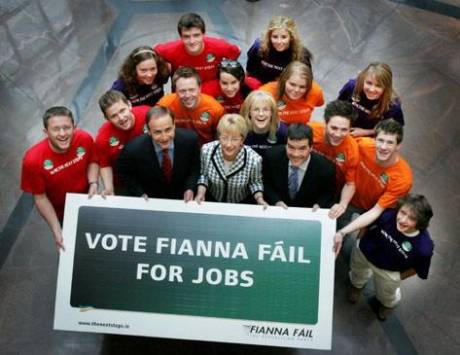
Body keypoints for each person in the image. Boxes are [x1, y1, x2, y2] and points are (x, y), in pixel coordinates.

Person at [21, 106, 99, 252]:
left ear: (74, 127)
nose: (63, 134)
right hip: (62, 213)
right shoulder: (32, 160)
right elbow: (40, 197)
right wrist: (56, 229)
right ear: (46, 132)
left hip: (88, 200)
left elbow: (93, 161)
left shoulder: (84, 138)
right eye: (56, 129)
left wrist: (93, 182)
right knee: (73, 251)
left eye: (67, 128)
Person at [347, 194, 434, 321]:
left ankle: (387, 304)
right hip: (364, 253)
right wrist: (359, 241)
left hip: (388, 271)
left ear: (420, 222)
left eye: (411, 218)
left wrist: (398, 277)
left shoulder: (424, 247)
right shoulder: (388, 214)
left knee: (386, 294)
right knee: (357, 272)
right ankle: (356, 285)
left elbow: (417, 268)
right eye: (403, 212)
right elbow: (367, 223)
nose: (402, 220)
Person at [334, 119, 413, 256]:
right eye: (380, 140)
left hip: (370, 210)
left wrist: (343, 232)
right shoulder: (363, 144)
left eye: (390, 142)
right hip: (348, 198)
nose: (383, 147)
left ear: (398, 146)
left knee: (350, 248)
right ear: (374, 139)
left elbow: (377, 210)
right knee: (334, 225)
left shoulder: (402, 178)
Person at [117, 106, 200, 201]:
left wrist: (190, 188)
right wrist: (139, 193)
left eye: (168, 130)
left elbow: (195, 166)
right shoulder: (133, 150)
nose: (164, 137)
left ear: (174, 125)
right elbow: (125, 174)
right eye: (157, 132)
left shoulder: (190, 140)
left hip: (183, 199)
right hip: (151, 201)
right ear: (148, 131)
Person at [195, 114, 267, 206]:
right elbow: (204, 176)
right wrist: (200, 193)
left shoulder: (254, 159)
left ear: (242, 140)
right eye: (224, 138)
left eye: (234, 139)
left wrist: (259, 199)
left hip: (240, 204)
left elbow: (255, 182)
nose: (228, 144)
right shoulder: (206, 150)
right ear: (219, 137)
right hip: (212, 202)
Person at [263, 123, 336, 209]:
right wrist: (276, 201)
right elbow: (266, 183)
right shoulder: (272, 156)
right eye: (291, 147)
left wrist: (319, 205)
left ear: (311, 147)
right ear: (286, 145)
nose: (296, 154)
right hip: (276, 211)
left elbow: (328, 194)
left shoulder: (326, 168)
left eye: (302, 149)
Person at [154, 12, 240, 84]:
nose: (192, 41)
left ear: (203, 34)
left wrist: (224, 71)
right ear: (180, 37)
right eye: (186, 36)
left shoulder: (219, 46)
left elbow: (236, 51)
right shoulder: (170, 50)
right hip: (183, 93)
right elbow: (153, 53)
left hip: (211, 94)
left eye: (196, 35)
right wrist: (165, 69)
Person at [308, 100, 359, 219]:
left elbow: (350, 183)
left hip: (331, 191)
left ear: (350, 128)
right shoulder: (311, 130)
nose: (337, 134)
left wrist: (342, 204)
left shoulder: (351, 150)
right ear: (325, 123)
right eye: (334, 128)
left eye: (344, 130)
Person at [95, 90, 150, 195]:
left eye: (122, 111)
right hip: (123, 182)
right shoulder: (103, 138)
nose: (121, 118)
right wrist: (109, 188)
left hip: (152, 173)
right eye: (114, 116)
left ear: (129, 105)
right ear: (107, 118)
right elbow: (104, 164)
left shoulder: (148, 115)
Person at [157, 66, 225, 145]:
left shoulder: (216, 109)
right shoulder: (164, 106)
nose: (187, 95)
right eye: (182, 91)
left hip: (204, 150)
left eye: (192, 90)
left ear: (200, 88)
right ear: (175, 90)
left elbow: (221, 138)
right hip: (175, 148)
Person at [338, 62, 404, 137]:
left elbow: (395, 128)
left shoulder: (393, 105)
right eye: (369, 83)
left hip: (372, 135)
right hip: (346, 126)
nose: (372, 89)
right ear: (363, 79)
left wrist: (366, 132)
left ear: (386, 87)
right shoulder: (352, 87)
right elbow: (338, 106)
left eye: (378, 86)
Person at [246, 15, 312, 84]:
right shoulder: (259, 47)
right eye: (275, 37)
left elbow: (306, 81)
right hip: (260, 86)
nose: (279, 42)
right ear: (269, 36)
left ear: (291, 37)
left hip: (285, 89)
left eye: (284, 37)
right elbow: (249, 72)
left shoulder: (301, 55)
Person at [259, 61, 324, 125]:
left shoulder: (315, 92)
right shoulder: (266, 93)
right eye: (292, 84)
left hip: (298, 131)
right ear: (284, 80)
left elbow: (319, 103)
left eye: (302, 87)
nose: (296, 90)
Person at [240, 90, 287, 157]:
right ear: (249, 112)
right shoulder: (241, 131)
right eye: (256, 109)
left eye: (265, 109)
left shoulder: (282, 132)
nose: (261, 114)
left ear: (272, 112)